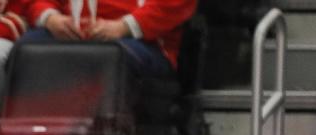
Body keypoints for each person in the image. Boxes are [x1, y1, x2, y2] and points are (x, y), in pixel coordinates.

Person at [20, 0, 198, 78]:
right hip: (74, 33)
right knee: (26, 49)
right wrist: (51, 18)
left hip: (144, 41)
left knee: (107, 57)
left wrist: (124, 26)